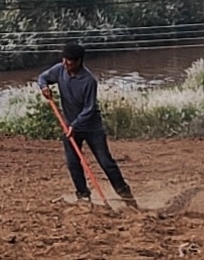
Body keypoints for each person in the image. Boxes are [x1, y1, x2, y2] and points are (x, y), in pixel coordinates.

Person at [34, 42, 136, 208]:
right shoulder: (60, 70)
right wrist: (44, 87)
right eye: (65, 60)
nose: (66, 64)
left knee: (106, 162)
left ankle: (126, 195)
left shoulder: (89, 81)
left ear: (79, 61)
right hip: (70, 128)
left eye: (70, 62)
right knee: (73, 163)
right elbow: (42, 77)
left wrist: (75, 124)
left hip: (91, 128)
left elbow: (89, 109)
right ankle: (83, 196)